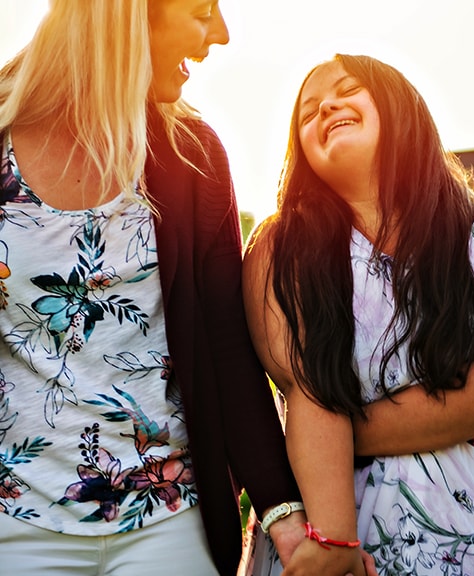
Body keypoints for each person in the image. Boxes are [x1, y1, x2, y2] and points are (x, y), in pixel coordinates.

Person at [0, 1, 308, 574]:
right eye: (201, 11)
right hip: (14, 527)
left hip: (167, 522)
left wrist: (282, 512)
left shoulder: (194, 155)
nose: (220, 33)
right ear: (130, 16)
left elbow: (228, 349)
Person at [243, 53, 474, 575]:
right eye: (308, 112)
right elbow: (305, 388)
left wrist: (332, 439)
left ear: (399, 106)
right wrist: (333, 540)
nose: (327, 107)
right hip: (339, 549)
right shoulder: (277, 253)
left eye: (348, 89)